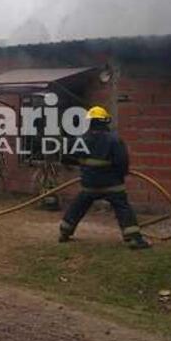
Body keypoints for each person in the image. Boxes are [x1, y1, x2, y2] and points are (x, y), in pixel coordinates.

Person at [59, 106, 151, 250]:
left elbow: (66, 158)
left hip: (89, 184)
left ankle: (64, 231)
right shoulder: (115, 140)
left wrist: (85, 168)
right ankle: (134, 238)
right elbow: (122, 163)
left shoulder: (80, 140)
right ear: (106, 121)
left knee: (78, 206)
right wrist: (121, 175)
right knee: (122, 208)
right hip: (112, 184)